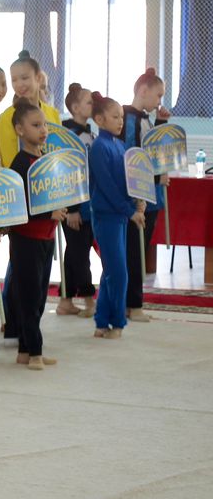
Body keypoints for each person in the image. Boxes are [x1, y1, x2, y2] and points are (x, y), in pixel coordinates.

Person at [6, 101, 64, 369]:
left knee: (40, 296)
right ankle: (35, 352)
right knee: (29, 296)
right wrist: (49, 213)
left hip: (46, 237)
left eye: (45, 125)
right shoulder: (19, 164)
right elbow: (19, 206)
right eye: (36, 125)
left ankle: (25, 350)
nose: (43, 130)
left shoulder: (44, 160)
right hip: (26, 238)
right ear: (20, 129)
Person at [89, 92, 144, 339]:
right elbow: (107, 186)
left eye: (121, 116)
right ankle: (118, 323)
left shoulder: (120, 146)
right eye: (115, 117)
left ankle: (101, 322)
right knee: (119, 273)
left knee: (110, 270)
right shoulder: (99, 147)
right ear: (99, 120)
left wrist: (139, 199)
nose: (120, 121)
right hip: (106, 217)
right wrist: (129, 211)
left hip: (120, 215)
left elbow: (129, 180)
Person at [122, 68, 170, 323]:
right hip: (138, 198)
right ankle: (133, 304)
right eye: (158, 95)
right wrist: (154, 178)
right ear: (143, 90)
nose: (160, 101)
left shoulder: (145, 120)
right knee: (134, 252)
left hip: (150, 197)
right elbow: (133, 160)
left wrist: (161, 123)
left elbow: (152, 151)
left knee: (138, 250)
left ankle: (131, 302)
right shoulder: (129, 120)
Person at [56, 83, 97, 316]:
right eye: (89, 102)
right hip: (74, 205)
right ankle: (89, 300)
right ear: (75, 107)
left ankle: (65, 299)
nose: (93, 105)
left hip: (88, 202)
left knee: (75, 251)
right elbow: (66, 172)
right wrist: (71, 208)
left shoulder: (88, 133)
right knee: (80, 252)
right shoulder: (68, 136)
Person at [0, 50, 61, 167]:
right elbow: (6, 162)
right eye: (14, 80)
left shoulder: (53, 114)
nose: (19, 85)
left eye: (24, 78)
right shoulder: (5, 118)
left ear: (38, 78)